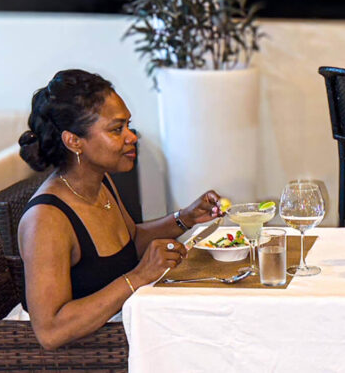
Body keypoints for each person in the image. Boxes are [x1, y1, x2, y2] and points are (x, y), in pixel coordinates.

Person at [13, 69, 224, 349]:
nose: (131, 137)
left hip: (125, 334)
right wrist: (138, 277)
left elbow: (129, 242)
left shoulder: (101, 181)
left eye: (128, 125)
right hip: (80, 357)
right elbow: (51, 331)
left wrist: (185, 218)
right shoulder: (46, 220)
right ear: (74, 141)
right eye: (116, 129)